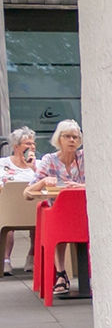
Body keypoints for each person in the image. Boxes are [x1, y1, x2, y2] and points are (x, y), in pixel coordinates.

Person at [25, 119, 86, 297]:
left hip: (85, 213)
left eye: (75, 137)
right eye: (67, 136)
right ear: (59, 139)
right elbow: (27, 192)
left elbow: (103, 185)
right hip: (60, 216)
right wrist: (44, 181)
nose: (72, 140)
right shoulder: (49, 160)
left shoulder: (84, 159)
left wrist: (81, 186)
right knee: (62, 222)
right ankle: (60, 273)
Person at [0, 126, 38, 276]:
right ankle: (6, 259)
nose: (32, 147)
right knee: (7, 222)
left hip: (30, 206)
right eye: (27, 144)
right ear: (16, 147)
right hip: (8, 205)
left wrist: (33, 168)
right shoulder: (2, 163)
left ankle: (32, 257)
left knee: (39, 220)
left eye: (33, 143)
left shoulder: (39, 165)